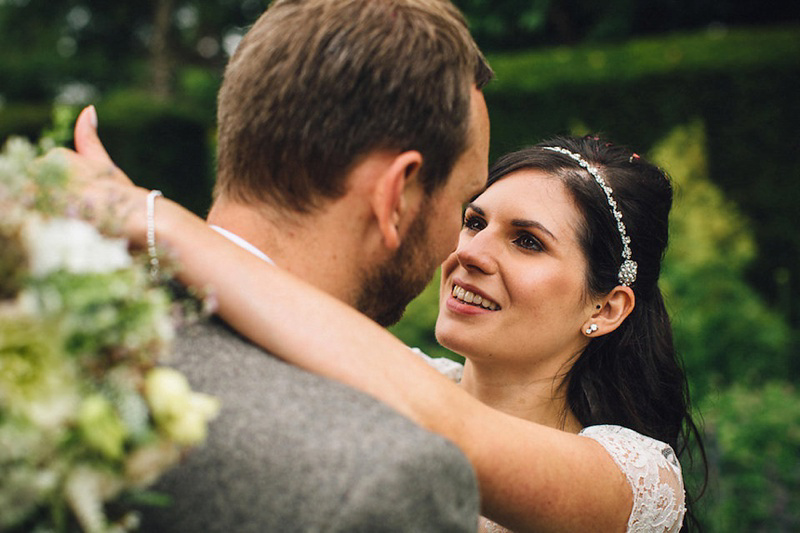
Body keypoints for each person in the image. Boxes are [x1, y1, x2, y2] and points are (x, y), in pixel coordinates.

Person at [66, 124, 706, 530]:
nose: (473, 253)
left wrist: (153, 220)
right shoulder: (406, 376)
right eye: (475, 221)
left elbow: (449, 429)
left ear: (606, 308)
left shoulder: (637, 479)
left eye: (529, 243)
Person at [59, 0, 495, 530]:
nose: (463, 243)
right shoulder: (386, 477)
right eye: (465, 204)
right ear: (396, 196)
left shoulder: (49, 323)